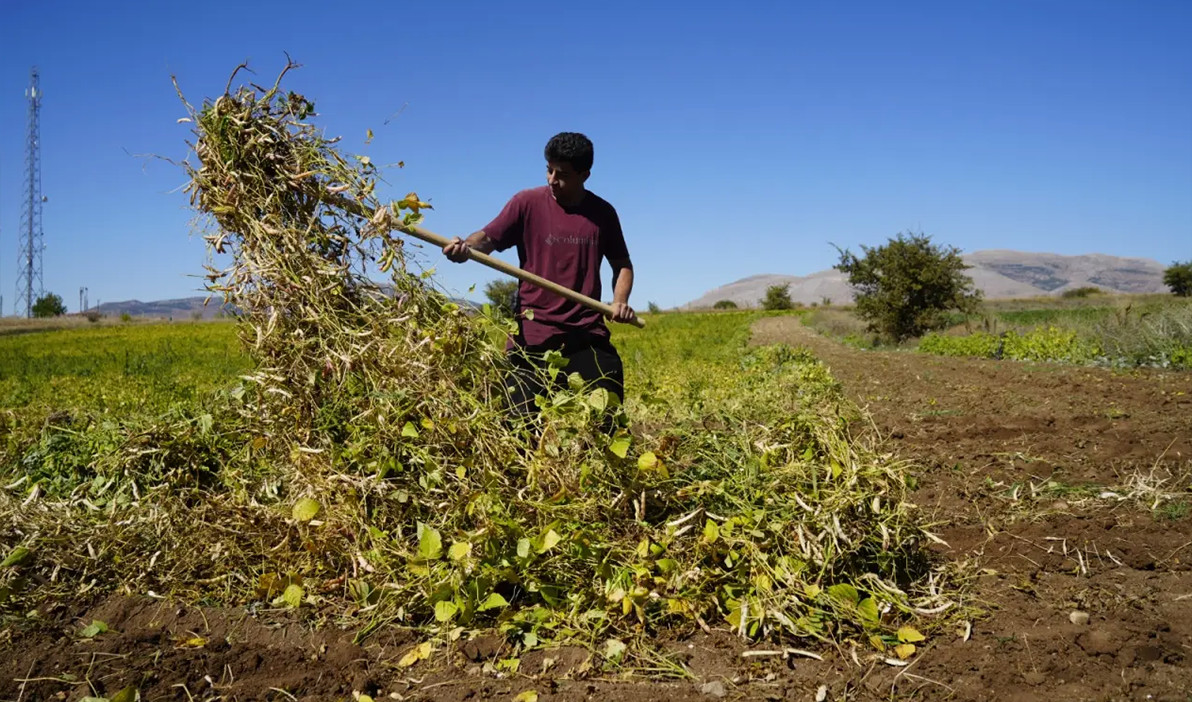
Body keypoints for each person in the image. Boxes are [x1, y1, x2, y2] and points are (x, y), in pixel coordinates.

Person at [442, 132, 636, 425]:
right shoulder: (526, 203)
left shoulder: (603, 214)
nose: (552, 180)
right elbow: (487, 239)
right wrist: (466, 249)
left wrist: (619, 301)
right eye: (549, 170)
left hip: (586, 334)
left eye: (563, 174)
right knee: (518, 429)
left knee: (608, 420)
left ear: (584, 175)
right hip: (532, 336)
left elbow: (622, 265)